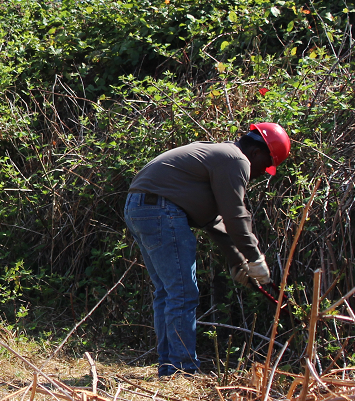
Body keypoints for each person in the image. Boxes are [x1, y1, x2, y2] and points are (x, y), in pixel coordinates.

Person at [124, 122, 291, 378]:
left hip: (140, 206)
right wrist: (255, 258)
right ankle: (182, 368)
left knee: (168, 291)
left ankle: (169, 366)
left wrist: (237, 262)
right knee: (182, 291)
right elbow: (236, 216)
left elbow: (215, 221)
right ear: (258, 153)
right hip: (160, 210)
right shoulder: (237, 160)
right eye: (266, 166)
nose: (260, 173)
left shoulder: (220, 154)